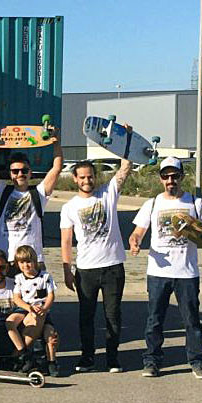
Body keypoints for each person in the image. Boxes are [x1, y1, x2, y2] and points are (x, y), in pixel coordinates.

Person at [129, 157, 202, 379]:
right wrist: (135, 241)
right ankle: (152, 361)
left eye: (174, 176)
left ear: (182, 177)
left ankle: (197, 362)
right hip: (158, 272)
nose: (170, 180)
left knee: (192, 320)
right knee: (155, 320)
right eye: (165, 176)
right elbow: (138, 232)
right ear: (160, 179)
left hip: (187, 272)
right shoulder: (153, 204)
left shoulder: (195, 203)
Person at [60, 158, 132, 373]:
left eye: (90, 176)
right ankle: (87, 357)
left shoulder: (108, 193)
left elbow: (125, 169)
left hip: (113, 267)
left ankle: (112, 358)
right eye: (82, 177)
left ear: (95, 176)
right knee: (86, 316)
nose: (87, 180)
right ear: (75, 179)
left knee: (113, 316)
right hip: (86, 269)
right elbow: (66, 240)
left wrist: (124, 141)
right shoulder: (69, 206)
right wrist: (67, 270)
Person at [0, 132, 63, 272]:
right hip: (7, 261)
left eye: (24, 170)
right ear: (10, 174)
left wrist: (56, 142)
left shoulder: (39, 193)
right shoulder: (2, 192)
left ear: (30, 172)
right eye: (15, 171)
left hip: (33, 261)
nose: (20, 174)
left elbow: (56, 168)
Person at [12, 245, 60, 376]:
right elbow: (16, 298)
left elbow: (51, 295)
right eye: (22, 262)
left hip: (43, 312)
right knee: (14, 323)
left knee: (51, 336)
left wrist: (45, 308)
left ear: (35, 261)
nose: (25, 265)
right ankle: (21, 355)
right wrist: (29, 308)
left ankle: (51, 362)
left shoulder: (45, 277)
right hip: (27, 310)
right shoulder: (19, 279)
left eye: (28, 261)